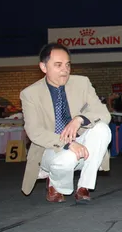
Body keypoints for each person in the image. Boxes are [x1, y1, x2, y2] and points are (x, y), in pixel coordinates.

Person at [20, 43, 112, 203]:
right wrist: (68, 144)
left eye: (67, 64)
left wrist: (79, 119)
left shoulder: (82, 83)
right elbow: (34, 132)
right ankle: (55, 183)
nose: (65, 69)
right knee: (67, 157)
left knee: (102, 129)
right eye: (58, 65)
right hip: (50, 148)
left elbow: (104, 114)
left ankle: (84, 185)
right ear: (43, 67)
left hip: (81, 143)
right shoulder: (30, 94)